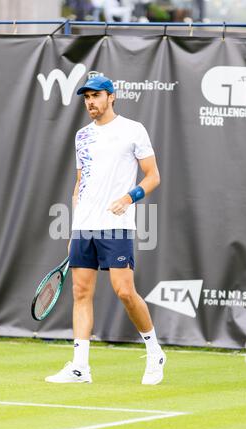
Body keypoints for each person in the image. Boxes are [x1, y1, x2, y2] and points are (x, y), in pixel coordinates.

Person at [45, 74, 166, 385]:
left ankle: (154, 351)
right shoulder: (82, 136)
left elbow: (152, 176)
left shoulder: (133, 130)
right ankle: (80, 367)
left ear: (111, 97)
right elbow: (80, 183)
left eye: (96, 96)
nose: (90, 102)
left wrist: (129, 197)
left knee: (124, 291)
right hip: (84, 225)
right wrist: (74, 226)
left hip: (117, 224)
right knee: (81, 292)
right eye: (86, 97)